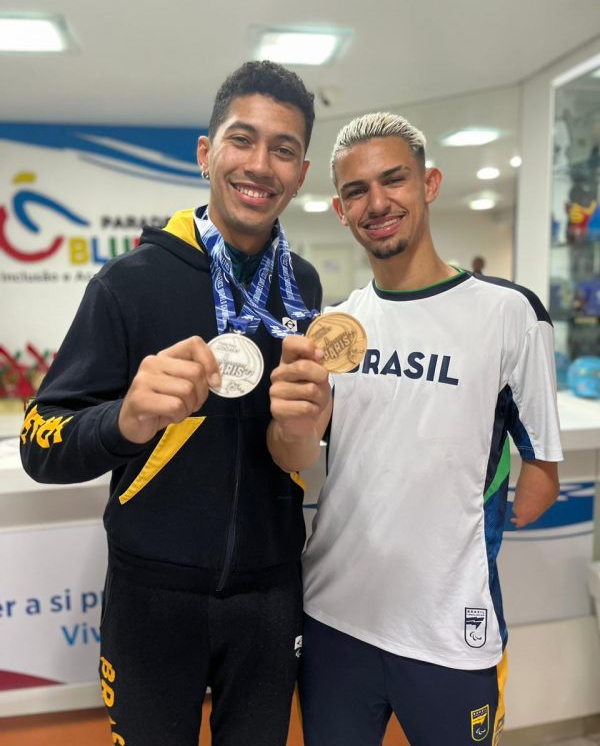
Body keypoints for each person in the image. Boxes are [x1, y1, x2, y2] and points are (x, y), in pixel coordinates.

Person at [20, 60, 323, 746]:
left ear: (301, 174)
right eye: (242, 139)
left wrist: (308, 432)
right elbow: (41, 443)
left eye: (283, 149)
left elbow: (295, 445)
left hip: (269, 595)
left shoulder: (302, 287)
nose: (260, 164)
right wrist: (125, 420)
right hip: (153, 597)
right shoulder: (128, 283)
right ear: (205, 153)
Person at [268, 112, 563, 746]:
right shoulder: (335, 328)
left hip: (450, 634)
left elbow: (539, 478)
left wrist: (454, 529)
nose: (377, 202)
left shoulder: (510, 313)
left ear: (428, 183)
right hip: (331, 619)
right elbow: (295, 454)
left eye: (393, 179)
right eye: (356, 191)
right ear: (342, 212)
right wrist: (290, 421)